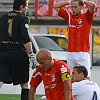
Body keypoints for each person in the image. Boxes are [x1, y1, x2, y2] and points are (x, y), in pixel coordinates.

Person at [0, 0, 37, 100]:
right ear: (21, 7)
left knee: (0, 80)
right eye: (27, 6)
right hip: (18, 54)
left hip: (3, 53)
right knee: (24, 83)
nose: (27, 8)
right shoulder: (23, 19)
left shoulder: (2, 18)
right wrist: (31, 54)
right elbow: (25, 37)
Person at [53, 0, 96, 79]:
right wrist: (68, 2)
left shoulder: (86, 17)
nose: (73, 9)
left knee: (85, 78)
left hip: (83, 52)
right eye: (72, 7)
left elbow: (93, 5)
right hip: (71, 52)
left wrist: (84, 1)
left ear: (81, 7)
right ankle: (72, 92)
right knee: (71, 78)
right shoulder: (69, 16)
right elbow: (55, 6)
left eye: (75, 7)